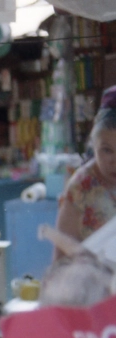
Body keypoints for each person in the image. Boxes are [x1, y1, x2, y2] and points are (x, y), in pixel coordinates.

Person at [54, 107, 116, 260]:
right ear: (93, 148)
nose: (114, 162)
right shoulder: (81, 187)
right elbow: (61, 260)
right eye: (107, 150)